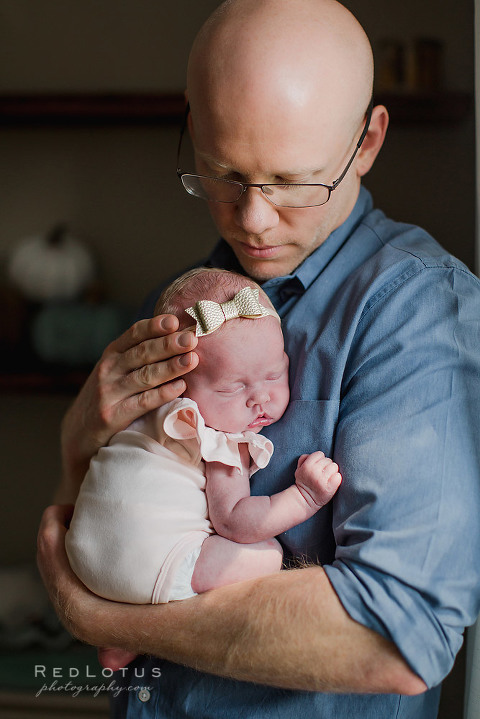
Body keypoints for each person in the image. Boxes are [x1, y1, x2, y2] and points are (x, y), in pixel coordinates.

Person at [37, 1, 480, 717]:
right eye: (222, 172)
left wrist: (111, 623)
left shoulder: (416, 312)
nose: (253, 219)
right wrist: (76, 439)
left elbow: (398, 637)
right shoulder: (184, 300)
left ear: (367, 144)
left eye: (295, 182)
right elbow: (103, 532)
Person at [64, 267, 341, 670]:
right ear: (178, 381)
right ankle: (137, 626)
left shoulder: (136, 409)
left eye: (274, 373)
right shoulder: (212, 436)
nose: (260, 398)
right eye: (232, 388)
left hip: (84, 557)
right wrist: (304, 496)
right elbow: (234, 521)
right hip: (151, 562)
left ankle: (120, 641)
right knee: (267, 554)